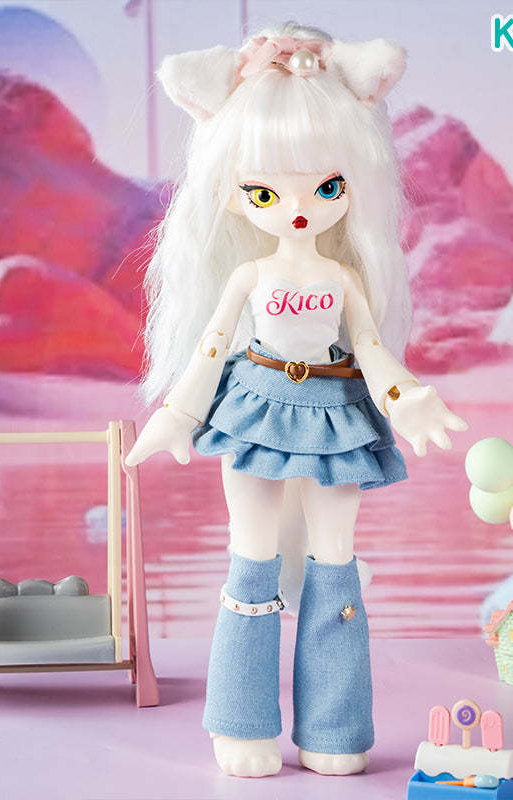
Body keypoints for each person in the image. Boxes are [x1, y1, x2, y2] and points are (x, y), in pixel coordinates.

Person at [125, 22, 468, 778]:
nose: (300, 209)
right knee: (249, 561)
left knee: (334, 566)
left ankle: (335, 728)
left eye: (327, 187)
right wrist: (178, 414)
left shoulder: (343, 279)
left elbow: (370, 348)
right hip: (252, 407)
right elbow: (211, 346)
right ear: (234, 195)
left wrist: (409, 400)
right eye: (265, 192)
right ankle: (242, 723)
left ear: (354, 186)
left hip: (339, 413)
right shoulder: (247, 277)